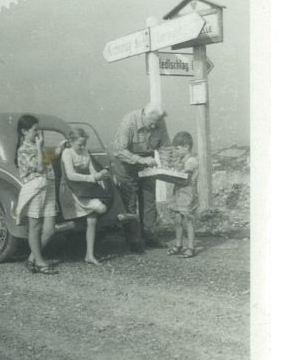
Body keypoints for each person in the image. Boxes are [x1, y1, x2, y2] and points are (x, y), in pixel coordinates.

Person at [112, 101, 171, 252]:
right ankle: (133, 239)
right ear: (145, 115)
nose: (153, 127)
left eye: (156, 124)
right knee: (130, 202)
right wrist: (140, 160)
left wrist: (164, 165)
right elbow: (118, 150)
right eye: (151, 123)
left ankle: (150, 235)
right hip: (126, 165)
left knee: (149, 201)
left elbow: (165, 146)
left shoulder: (159, 122)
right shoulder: (129, 121)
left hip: (147, 165)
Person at [14, 114, 58, 275]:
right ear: (24, 131)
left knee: (50, 228)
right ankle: (39, 262)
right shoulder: (23, 150)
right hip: (35, 188)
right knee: (35, 226)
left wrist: (58, 148)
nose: (38, 133)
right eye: (35, 130)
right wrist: (40, 148)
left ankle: (32, 258)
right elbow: (39, 168)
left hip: (48, 186)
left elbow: (47, 162)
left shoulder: (38, 147)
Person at [60, 127, 110, 265]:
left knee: (93, 218)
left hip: (84, 189)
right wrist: (93, 177)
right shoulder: (67, 153)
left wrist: (101, 176)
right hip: (71, 190)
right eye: (79, 144)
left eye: (84, 144)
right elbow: (70, 175)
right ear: (71, 141)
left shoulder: (85, 151)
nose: (82, 147)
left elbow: (92, 170)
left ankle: (89, 254)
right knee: (100, 209)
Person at [167, 131, 199, 258]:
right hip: (178, 193)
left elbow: (185, 175)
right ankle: (179, 244)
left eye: (178, 148)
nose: (176, 151)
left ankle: (191, 247)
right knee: (177, 220)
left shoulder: (191, 161)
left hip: (188, 193)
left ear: (186, 146)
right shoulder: (182, 159)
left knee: (188, 220)